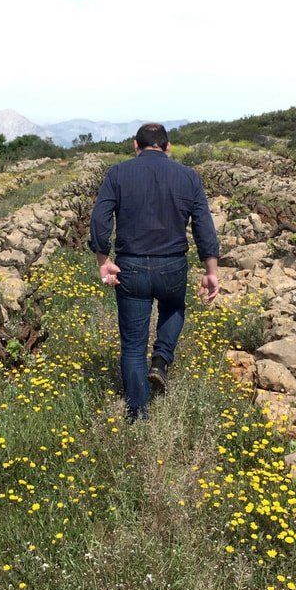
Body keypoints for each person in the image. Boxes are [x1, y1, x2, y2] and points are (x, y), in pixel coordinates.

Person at [88, 122, 220, 420]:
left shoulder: (118, 173)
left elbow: (99, 219)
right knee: (174, 308)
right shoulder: (188, 176)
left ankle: (138, 413)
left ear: (135, 146)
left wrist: (102, 259)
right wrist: (210, 269)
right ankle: (160, 360)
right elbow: (204, 226)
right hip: (173, 264)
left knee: (133, 345)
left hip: (130, 265)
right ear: (168, 146)